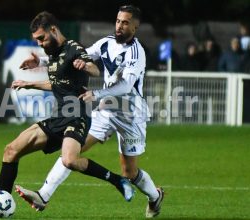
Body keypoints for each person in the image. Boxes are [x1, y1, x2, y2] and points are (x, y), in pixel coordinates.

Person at [15, 5, 164, 218]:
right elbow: (77, 57)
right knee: (72, 149)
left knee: (129, 173)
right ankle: (43, 195)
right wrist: (41, 61)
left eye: (125, 22)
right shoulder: (106, 43)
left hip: (131, 114)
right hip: (106, 110)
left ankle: (155, 197)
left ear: (135, 26)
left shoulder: (136, 52)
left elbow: (125, 86)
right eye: (118, 21)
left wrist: (96, 94)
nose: (120, 26)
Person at [0, 11, 135, 216]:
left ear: (53, 30)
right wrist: (29, 83)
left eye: (41, 38)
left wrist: (86, 65)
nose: (40, 43)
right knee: (11, 150)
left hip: (77, 115)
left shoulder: (73, 48)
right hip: (58, 116)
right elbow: (58, 84)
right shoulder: (52, 53)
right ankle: (0, 204)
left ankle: (117, 180)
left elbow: (95, 70)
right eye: (36, 40)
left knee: (69, 160)